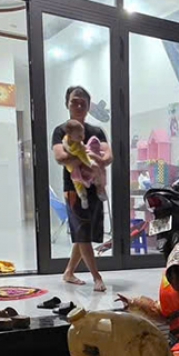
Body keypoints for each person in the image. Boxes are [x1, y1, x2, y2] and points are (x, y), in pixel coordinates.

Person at [52, 86, 113, 292]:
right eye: (74, 101)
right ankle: (97, 277)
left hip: (95, 188)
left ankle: (69, 272)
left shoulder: (96, 132)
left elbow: (108, 157)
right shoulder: (61, 131)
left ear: (88, 106)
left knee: (84, 233)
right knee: (83, 233)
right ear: (67, 104)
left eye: (82, 103)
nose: (78, 106)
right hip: (74, 190)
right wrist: (88, 157)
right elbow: (60, 157)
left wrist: (85, 158)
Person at [61, 119, 107, 209]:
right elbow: (85, 158)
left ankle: (83, 196)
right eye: (79, 136)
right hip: (78, 167)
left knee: (78, 183)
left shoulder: (66, 140)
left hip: (72, 168)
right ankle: (99, 189)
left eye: (83, 134)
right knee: (95, 173)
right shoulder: (78, 147)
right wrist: (91, 164)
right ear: (70, 135)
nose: (82, 137)